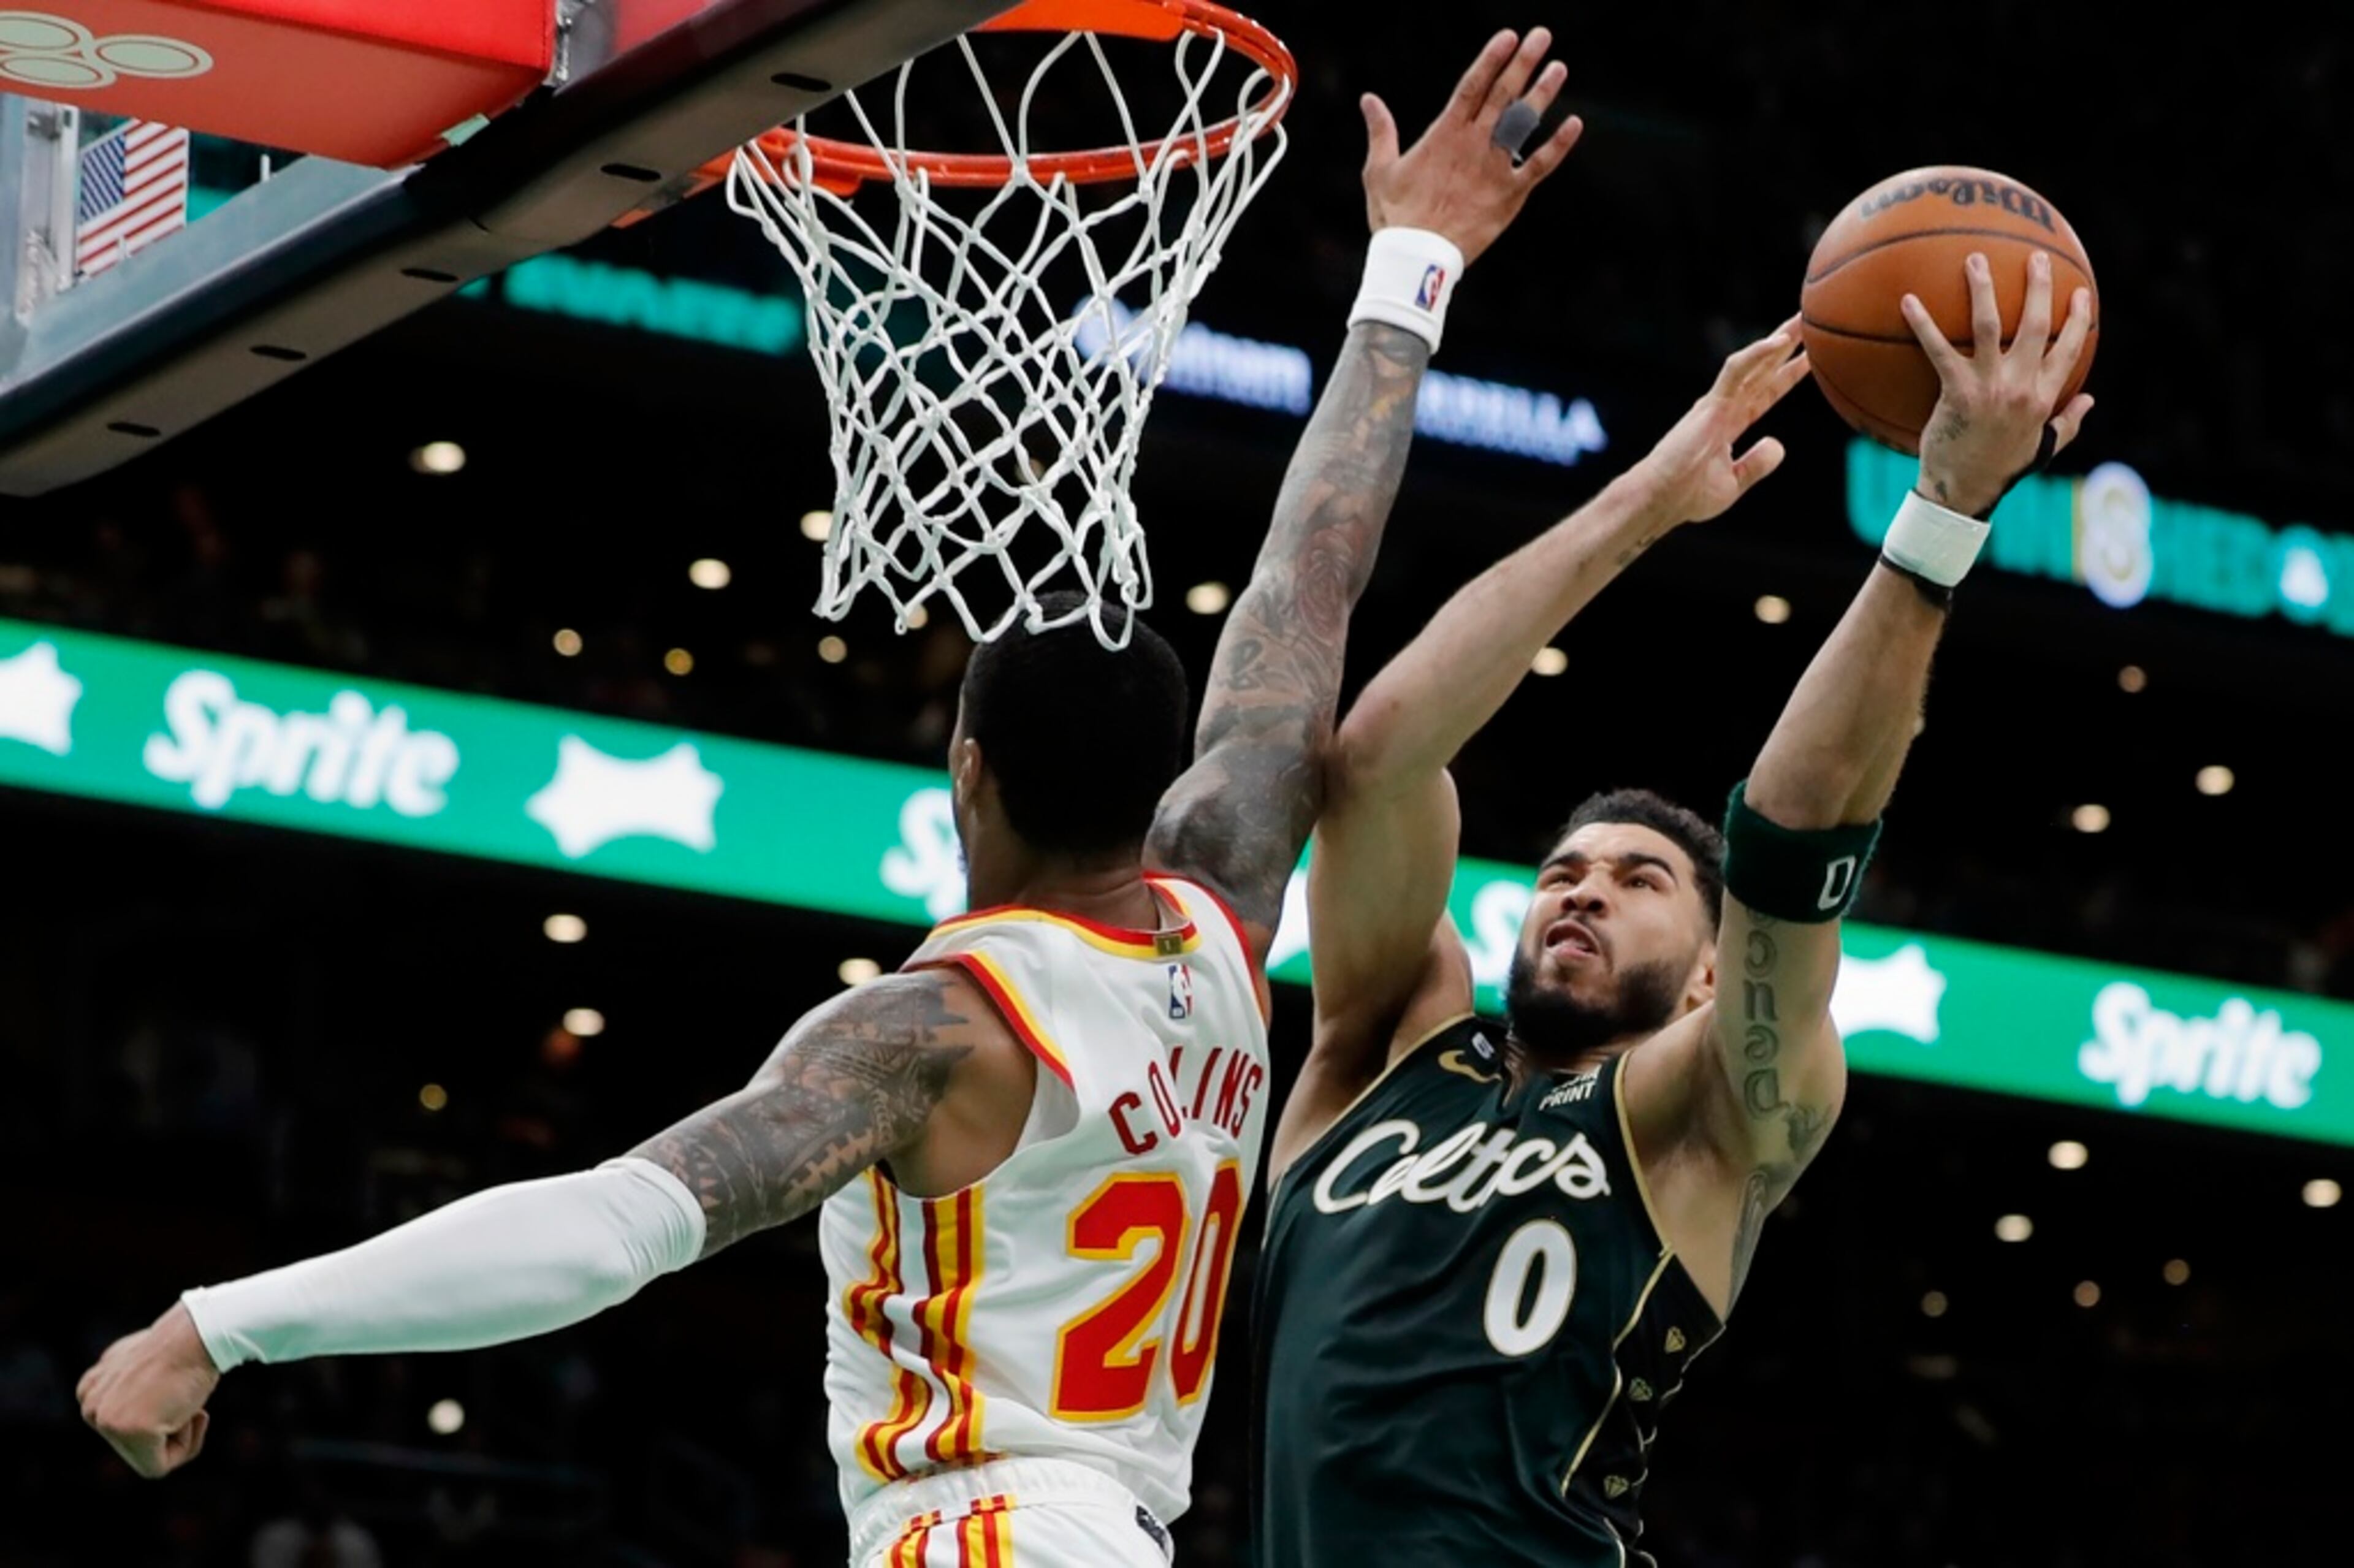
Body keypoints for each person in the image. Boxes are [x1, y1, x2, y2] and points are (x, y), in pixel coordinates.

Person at [76, 27, 1586, 1567]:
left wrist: (220, 1322)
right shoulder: (1221, 905)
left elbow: (613, 1230)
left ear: (965, 771)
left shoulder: (930, 1035)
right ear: (1165, 791)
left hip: (986, 1532)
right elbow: (1306, 589)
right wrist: (1409, 265)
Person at [1254, 252, 2096, 1565]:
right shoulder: (1376, 1051)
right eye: (1562, 870)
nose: (1584, 884)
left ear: (1712, 977)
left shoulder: (1703, 1115)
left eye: (1640, 880)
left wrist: (1944, 511)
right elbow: (1377, 761)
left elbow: (1797, 824)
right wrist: (1653, 497)